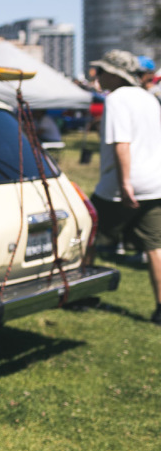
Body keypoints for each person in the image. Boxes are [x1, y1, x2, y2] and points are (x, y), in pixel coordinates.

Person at [89, 49, 161, 325]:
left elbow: (122, 144)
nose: (97, 75)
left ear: (115, 74)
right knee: (155, 246)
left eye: (101, 71)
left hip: (124, 184)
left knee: (88, 235)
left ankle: (82, 295)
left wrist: (125, 184)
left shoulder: (117, 99)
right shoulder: (149, 98)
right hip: (155, 182)